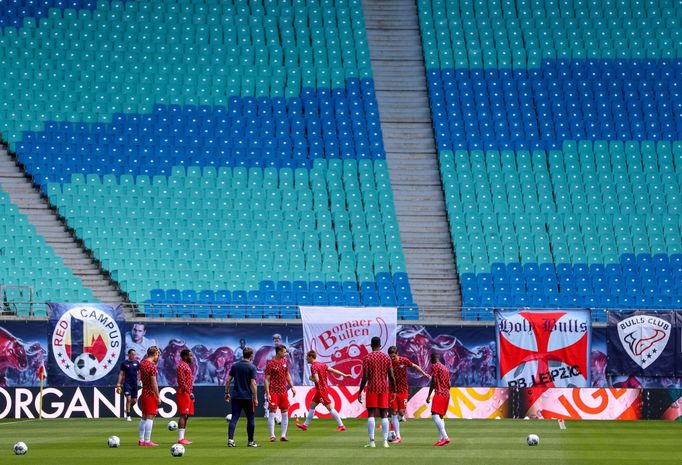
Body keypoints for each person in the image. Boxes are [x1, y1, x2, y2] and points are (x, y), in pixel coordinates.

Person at [296, 350, 349, 432]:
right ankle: (305, 425)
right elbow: (333, 370)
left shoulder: (313, 366)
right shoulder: (322, 364)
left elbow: (316, 379)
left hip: (321, 390)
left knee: (330, 408)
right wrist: (344, 375)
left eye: (307, 357)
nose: (306, 359)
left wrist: (311, 378)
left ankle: (341, 425)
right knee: (312, 405)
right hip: (322, 389)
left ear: (311, 357)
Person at [358, 336, 395, 448]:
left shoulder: (367, 358)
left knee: (371, 414)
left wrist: (360, 391)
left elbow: (365, 376)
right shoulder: (386, 358)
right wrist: (394, 391)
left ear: (371, 345)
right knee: (384, 414)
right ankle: (384, 442)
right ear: (380, 345)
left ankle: (372, 442)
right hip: (384, 388)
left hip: (372, 388)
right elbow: (392, 376)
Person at [387, 346, 430, 443]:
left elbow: (414, 366)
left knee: (401, 412)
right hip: (392, 391)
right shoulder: (387, 362)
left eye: (393, 356)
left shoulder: (403, 360)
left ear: (397, 354)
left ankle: (394, 421)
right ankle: (398, 437)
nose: (392, 358)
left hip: (403, 390)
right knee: (394, 412)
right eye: (390, 356)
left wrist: (424, 373)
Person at [225, 346, 259, 448]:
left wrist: (226, 393)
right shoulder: (252, 367)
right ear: (251, 355)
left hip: (236, 396)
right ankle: (250, 441)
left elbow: (228, 380)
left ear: (243, 354)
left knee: (234, 418)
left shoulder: (235, 366)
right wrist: (256, 398)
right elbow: (253, 384)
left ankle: (230, 440)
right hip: (248, 397)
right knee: (251, 419)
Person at [264, 344, 296, 442]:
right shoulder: (270, 364)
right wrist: (268, 393)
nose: (286, 353)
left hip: (283, 392)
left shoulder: (285, 362)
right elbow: (266, 379)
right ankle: (272, 435)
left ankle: (283, 435)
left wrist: (292, 386)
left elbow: (287, 374)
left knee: (285, 413)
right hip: (273, 391)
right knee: (272, 413)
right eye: (284, 352)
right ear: (279, 352)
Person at [426, 352, 451, 446]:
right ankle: (441, 439)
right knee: (440, 416)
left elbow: (434, 381)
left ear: (432, 358)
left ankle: (445, 437)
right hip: (446, 394)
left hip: (439, 393)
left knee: (434, 415)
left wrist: (429, 395)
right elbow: (449, 384)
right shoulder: (445, 368)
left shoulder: (435, 366)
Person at [138, 346, 161, 447]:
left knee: (143, 417)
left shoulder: (142, 363)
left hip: (144, 391)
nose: (158, 357)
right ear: (155, 354)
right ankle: (147, 441)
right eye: (158, 354)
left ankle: (141, 440)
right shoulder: (152, 366)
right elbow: (154, 383)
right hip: (150, 393)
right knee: (150, 416)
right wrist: (158, 396)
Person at [176, 349, 195, 445]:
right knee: (183, 414)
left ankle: (183, 437)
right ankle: (180, 438)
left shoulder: (186, 366)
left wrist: (191, 393)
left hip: (188, 392)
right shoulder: (181, 366)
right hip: (183, 392)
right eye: (190, 356)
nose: (191, 358)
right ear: (185, 356)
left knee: (186, 415)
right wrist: (189, 392)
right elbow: (181, 381)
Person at [116, 349, 140, 422]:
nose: (134, 356)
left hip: (134, 384)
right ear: (129, 354)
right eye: (132, 354)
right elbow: (121, 374)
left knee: (134, 401)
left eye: (135, 354)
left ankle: (127, 410)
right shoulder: (124, 363)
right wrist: (118, 384)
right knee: (128, 399)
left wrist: (141, 380)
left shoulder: (137, 363)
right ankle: (128, 416)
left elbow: (140, 372)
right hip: (127, 383)